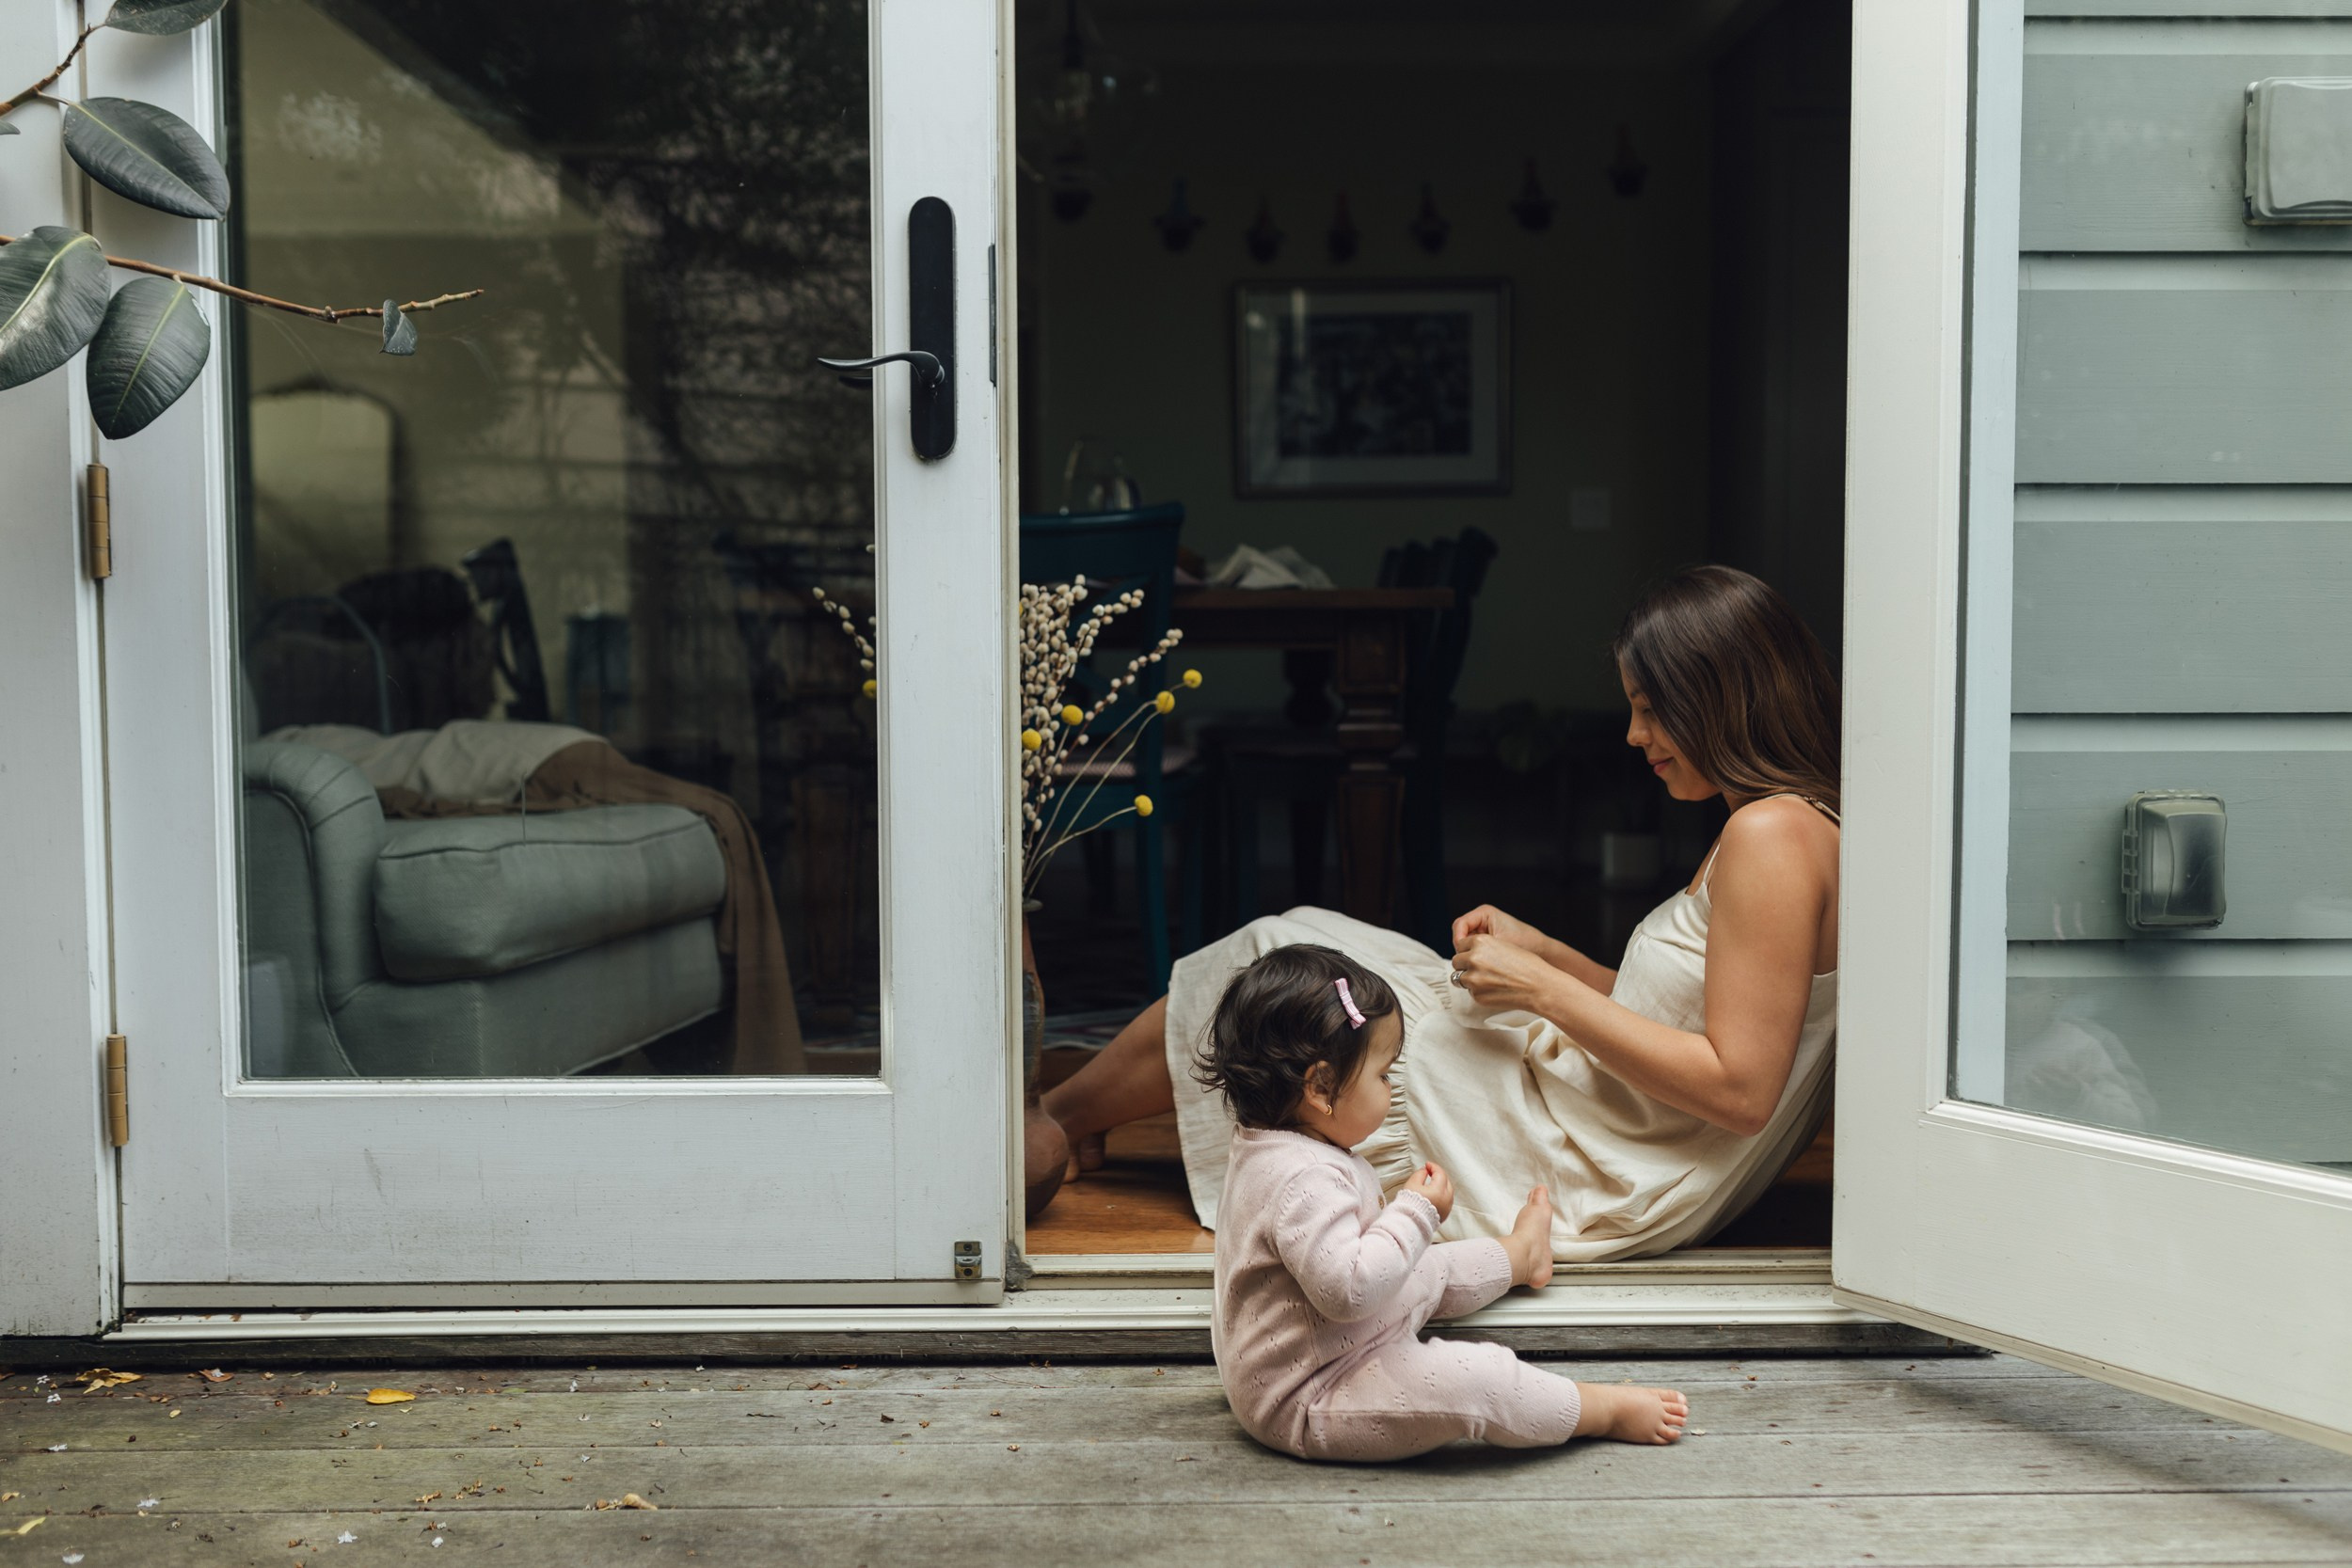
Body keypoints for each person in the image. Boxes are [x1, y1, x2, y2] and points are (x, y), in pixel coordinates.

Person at [1042, 563, 1841, 1262]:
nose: (1635, 734)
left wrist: (1542, 990)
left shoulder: (1771, 836)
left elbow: (1741, 1089)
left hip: (1589, 1161)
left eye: (1651, 708)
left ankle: (1054, 1121)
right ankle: (1073, 1116)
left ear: (1717, 697)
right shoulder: (1784, 826)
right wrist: (1545, 951)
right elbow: (1681, 1010)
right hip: (1597, 1114)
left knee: (1281, 956)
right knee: (1312, 938)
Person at [1200, 942, 1687, 1461]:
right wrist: (1415, 1211)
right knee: (1476, 1380)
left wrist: (1404, 1227)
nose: (1391, 1088)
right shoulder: (1301, 1178)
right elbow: (1349, 1290)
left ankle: (1521, 1255)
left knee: (1428, 1267)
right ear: (1321, 1087)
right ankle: (1598, 1410)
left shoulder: (1275, 1147)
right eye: (1383, 1075)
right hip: (1311, 1394)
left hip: (1327, 1344)